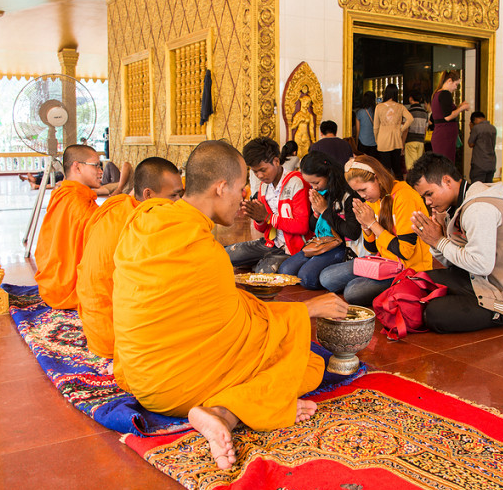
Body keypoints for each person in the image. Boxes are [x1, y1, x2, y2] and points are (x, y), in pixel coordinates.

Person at [112, 140, 348, 469]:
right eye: (240, 188)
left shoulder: (144, 222)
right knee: (306, 365)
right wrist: (304, 310)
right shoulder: (205, 253)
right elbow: (245, 330)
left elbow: (213, 312)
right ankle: (232, 408)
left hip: (142, 379)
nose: (243, 198)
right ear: (221, 188)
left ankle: (220, 414)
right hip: (178, 389)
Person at [406, 153, 503, 332]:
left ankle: (500, 316)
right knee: (418, 281)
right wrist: (436, 242)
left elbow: (480, 265)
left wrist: (440, 242)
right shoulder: (457, 206)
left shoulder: (478, 209)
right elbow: (455, 264)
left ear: (447, 181)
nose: (428, 202)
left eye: (429, 194)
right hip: (480, 279)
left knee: (434, 313)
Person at [75, 157, 183, 360]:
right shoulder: (141, 222)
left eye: (180, 195)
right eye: (173, 196)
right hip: (117, 335)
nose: (178, 202)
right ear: (148, 194)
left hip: (96, 324)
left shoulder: (119, 206)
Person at [319, 155, 432, 305]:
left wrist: (372, 223)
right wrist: (366, 228)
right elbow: (371, 249)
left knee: (352, 292)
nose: (362, 195)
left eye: (363, 189)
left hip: (407, 270)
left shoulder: (404, 196)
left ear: (377, 178)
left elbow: (405, 252)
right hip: (383, 262)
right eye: (357, 192)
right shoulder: (374, 199)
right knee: (326, 277)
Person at [225, 137, 311, 273]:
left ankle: (259, 263)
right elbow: (263, 228)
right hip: (270, 243)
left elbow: (302, 227)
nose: (259, 175)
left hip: (291, 247)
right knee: (226, 254)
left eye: (263, 170)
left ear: (276, 161)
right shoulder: (264, 188)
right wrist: (258, 218)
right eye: (255, 171)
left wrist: (268, 217)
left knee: (263, 274)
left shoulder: (297, 183)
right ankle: (259, 261)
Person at [278, 151, 362, 289]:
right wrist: (317, 213)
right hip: (321, 242)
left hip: (341, 246)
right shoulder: (321, 192)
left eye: (316, 182)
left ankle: (330, 272)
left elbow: (352, 233)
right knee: (285, 271)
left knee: (307, 278)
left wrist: (325, 211)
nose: (314, 187)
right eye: (310, 183)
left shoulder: (347, 193)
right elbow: (312, 227)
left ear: (328, 174)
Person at [34, 144, 103, 309]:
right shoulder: (77, 202)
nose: (101, 171)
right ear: (77, 167)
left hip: (51, 284)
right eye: (96, 166)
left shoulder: (65, 194)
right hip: (69, 288)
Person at [373, 84, 413, 180]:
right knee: (397, 169)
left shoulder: (379, 107)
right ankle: (400, 190)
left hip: (383, 141)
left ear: (385, 93)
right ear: (396, 94)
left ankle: (387, 191)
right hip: (396, 141)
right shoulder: (400, 107)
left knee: (385, 170)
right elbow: (410, 119)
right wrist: (400, 129)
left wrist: (377, 139)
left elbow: (375, 127)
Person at [430, 70, 470, 162]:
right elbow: (447, 116)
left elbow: (444, 112)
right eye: (456, 84)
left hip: (441, 133)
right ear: (449, 81)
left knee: (442, 165)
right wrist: (461, 108)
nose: (456, 88)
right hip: (445, 134)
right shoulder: (445, 93)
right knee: (446, 165)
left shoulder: (437, 94)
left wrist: (460, 106)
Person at [467, 111, 497, 183]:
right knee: (488, 187)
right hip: (491, 163)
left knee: (477, 188)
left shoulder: (476, 128)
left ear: (475, 120)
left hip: (479, 164)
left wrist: (471, 129)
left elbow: (470, 144)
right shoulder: (493, 128)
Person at [404, 90, 429, 170]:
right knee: (419, 167)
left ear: (410, 99)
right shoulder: (425, 113)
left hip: (410, 141)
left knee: (411, 167)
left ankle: (412, 182)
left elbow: (406, 129)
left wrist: (402, 142)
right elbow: (425, 129)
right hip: (421, 142)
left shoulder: (408, 112)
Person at [355, 91, 378, 159]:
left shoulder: (360, 112)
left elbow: (358, 130)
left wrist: (356, 142)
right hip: (375, 143)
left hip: (362, 142)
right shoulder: (377, 111)